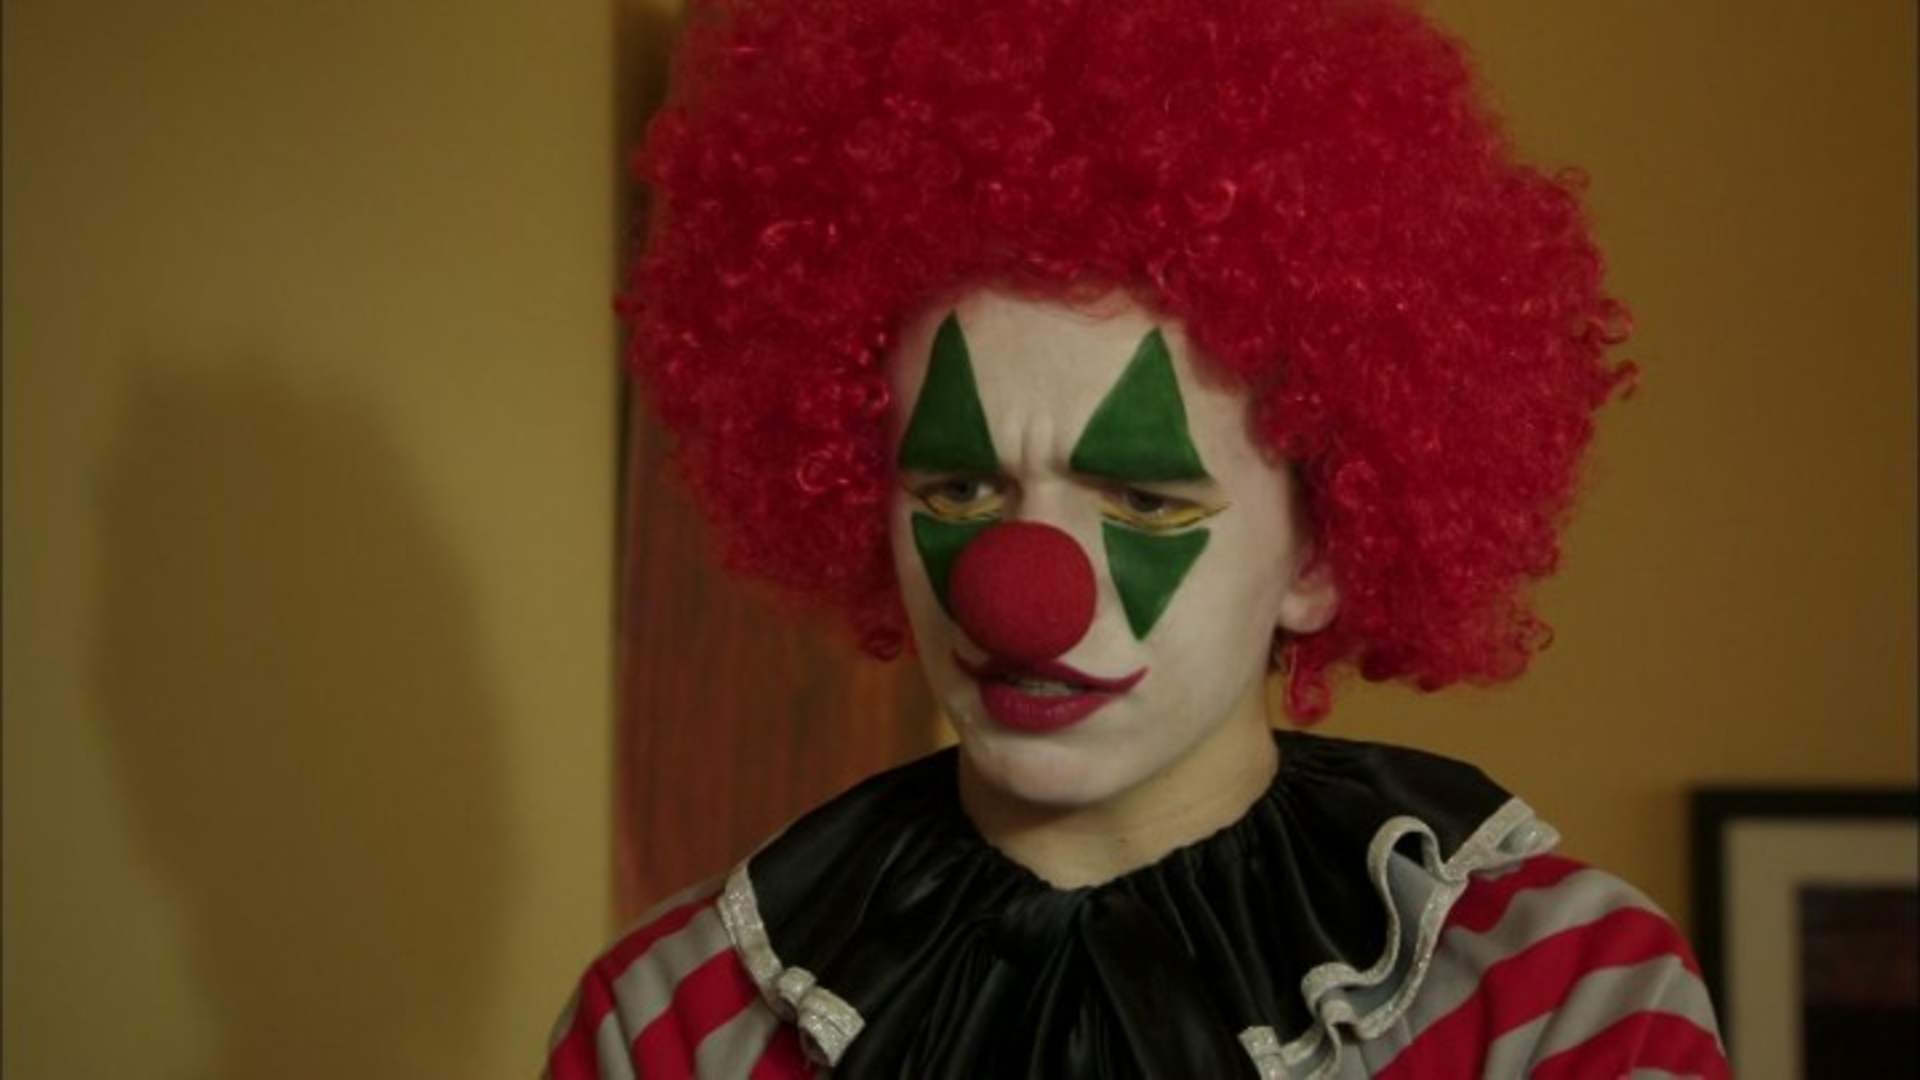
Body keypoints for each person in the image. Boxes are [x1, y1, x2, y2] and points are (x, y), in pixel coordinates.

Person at [547, 0, 1727, 1076]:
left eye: (1147, 501)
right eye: (960, 487)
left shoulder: (1562, 996)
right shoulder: (671, 1023)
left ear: (1319, 555)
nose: (1024, 593)